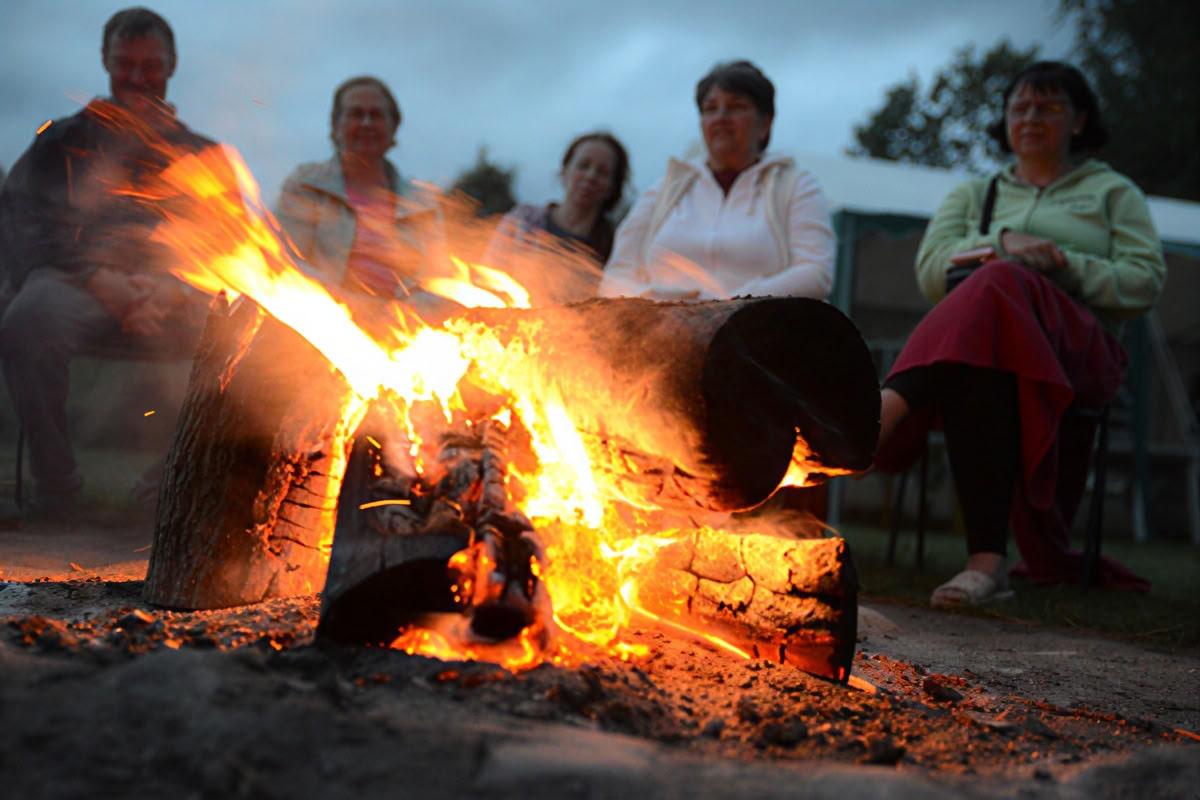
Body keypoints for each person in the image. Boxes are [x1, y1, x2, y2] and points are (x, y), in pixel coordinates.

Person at [875, 61, 1166, 607]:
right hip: (990, 351)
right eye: (1020, 107)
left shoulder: (1112, 192)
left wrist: (1059, 263)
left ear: (1079, 120)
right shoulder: (975, 194)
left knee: (999, 283)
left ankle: (887, 407)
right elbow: (931, 273)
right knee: (981, 346)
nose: (1031, 118)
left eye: (1048, 107)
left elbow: (1143, 282)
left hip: (1081, 351)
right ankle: (986, 567)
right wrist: (1002, 242)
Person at [0, 8, 215, 522]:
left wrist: (172, 288)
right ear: (105, 61)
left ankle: (166, 489)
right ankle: (56, 490)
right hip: (76, 284)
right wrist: (101, 279)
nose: (139, 77)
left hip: (172, 296)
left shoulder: (201, 155)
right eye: (126, 64)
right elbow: (25, 224)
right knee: (29, 320)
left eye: (151, 65)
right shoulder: (60, 142)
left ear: (172, 65)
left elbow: (222, 244)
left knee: (245, 344)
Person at [599, 60, 835, 302]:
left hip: (761, 324)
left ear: (765, 124)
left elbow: (815, 273)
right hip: (663, 325)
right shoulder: (664, 191)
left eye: (736, 106)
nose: (721, 117)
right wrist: (651, 302)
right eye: (710, 109)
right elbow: (617, 277)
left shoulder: (795, 187)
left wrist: (729, 307)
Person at [273, 76, 447, 306]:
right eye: (356, 114)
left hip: (407, 321)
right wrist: (349, 305)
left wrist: (402, 314)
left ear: (394, 127)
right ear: (336, 125)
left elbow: (437, 279)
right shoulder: (307, 186)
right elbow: (285, 260)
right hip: (326, 314)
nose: (366, 123)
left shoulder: (422, 203)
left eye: (376, 115)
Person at [482, 132, 630, 301]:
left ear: (612, 186)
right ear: (564, 171)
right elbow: (487, 279)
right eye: (583, 165)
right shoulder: (522, 222)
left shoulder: (616, 246)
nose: (591, 176)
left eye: (602, 172)